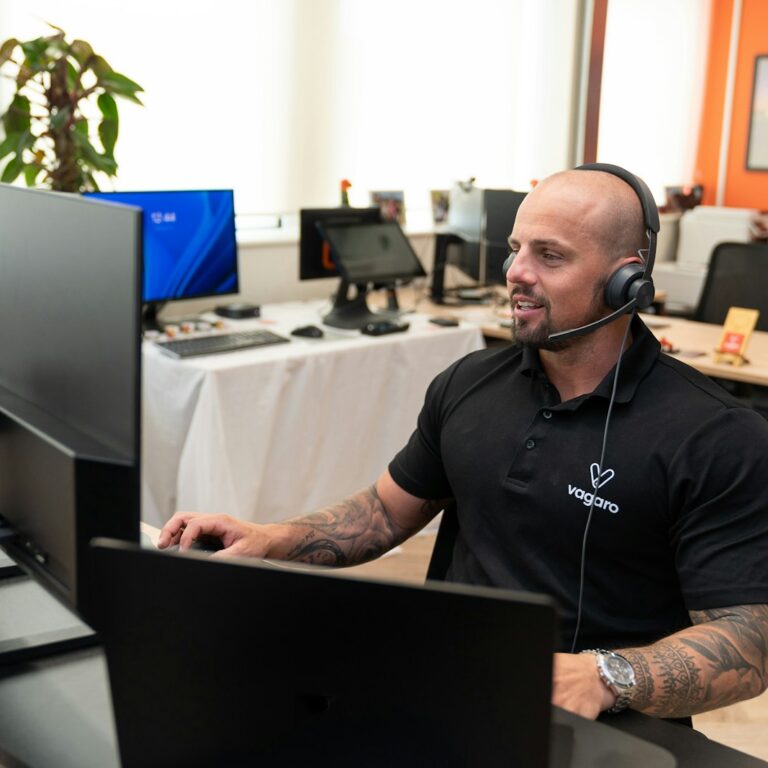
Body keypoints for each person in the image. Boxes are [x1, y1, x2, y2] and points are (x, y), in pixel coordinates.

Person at [159, 166, 768, 722]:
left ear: (626, 281)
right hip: (444, 690)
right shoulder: (469, 382)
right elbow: (383, 511)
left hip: (600, 725)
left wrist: (605, 675)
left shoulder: (715, 436)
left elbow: (749, 639)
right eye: (515, 249)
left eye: (549, 256)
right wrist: (271, 539)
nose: (516, 274)